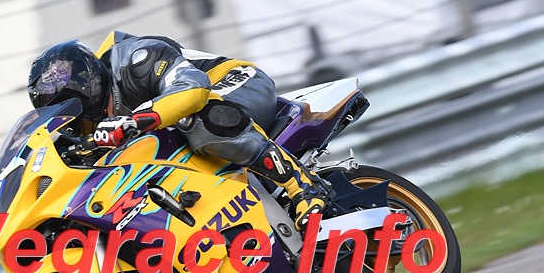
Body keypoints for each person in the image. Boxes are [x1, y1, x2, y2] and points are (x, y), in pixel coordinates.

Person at [26, 31, 332, 231]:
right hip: (189, 118)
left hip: (236, 83)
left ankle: (302, 184)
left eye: (76, 111)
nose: (80, 124)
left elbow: (193, 89)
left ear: (88, 87)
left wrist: (136, 120)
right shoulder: (86, 129)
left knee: (192, 117)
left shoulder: (136, 58)